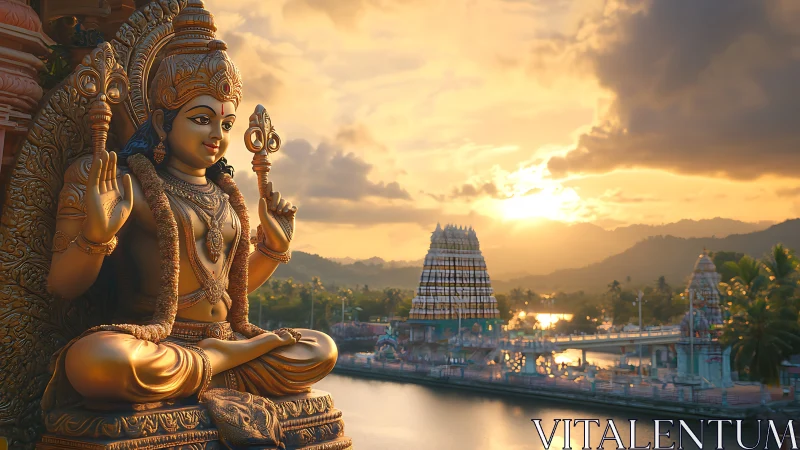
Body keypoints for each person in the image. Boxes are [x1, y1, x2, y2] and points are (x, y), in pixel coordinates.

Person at [42, 0, 336, 410]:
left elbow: (227, 290)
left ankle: (219, 359)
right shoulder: (123, 184)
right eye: (201, 118)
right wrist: (95, 235)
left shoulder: (226, 195)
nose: (217, 134)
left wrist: (273, 249)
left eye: (227, 123)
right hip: (157, 340)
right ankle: (222, 361)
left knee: (320, 347)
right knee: (96, 360)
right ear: (162, 122)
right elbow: (61, 286)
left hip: (214, 343)